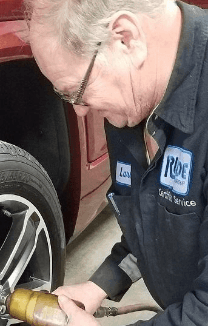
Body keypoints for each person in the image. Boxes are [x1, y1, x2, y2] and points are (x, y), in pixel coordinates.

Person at [26, 0, 208, 325]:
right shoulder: (130, 102)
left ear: (125, 39)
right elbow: (150, 221)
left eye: (77, 91)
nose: (80, 110)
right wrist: (100, 285)